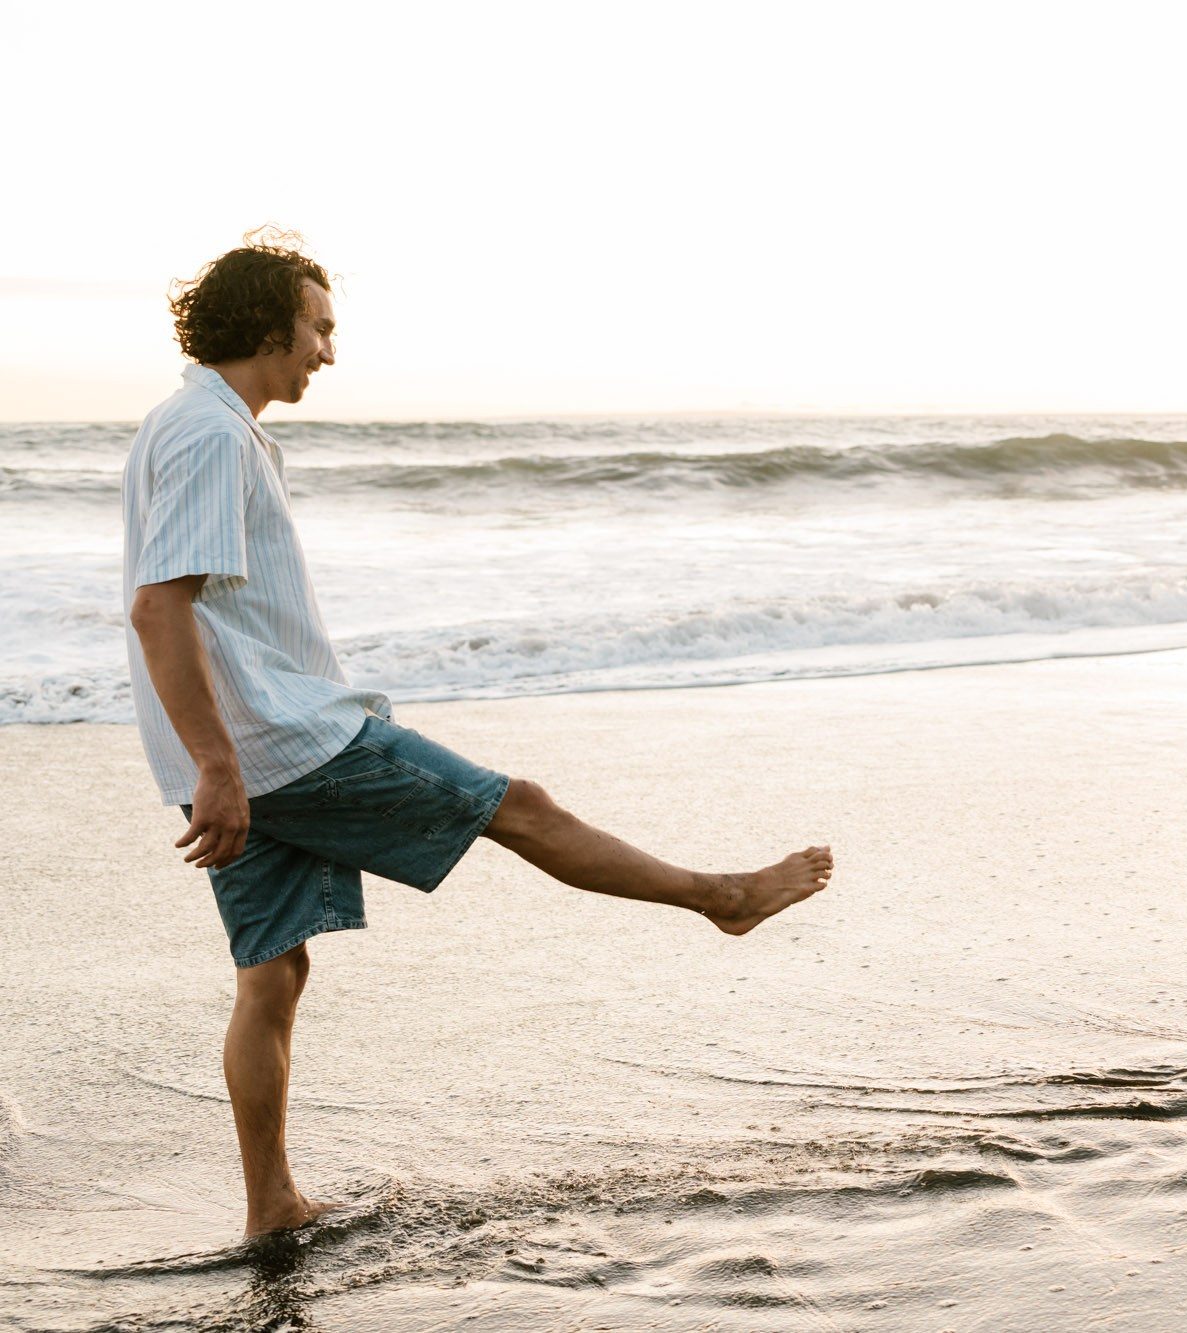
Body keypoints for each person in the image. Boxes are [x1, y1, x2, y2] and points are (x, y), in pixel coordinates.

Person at [122, 230, 833, 1237]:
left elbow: (186, 608)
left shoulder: (192, 422)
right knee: (518, 806)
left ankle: (271, 1206)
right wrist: (217, 763)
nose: (327, 351)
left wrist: (212, 762)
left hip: (246, 749)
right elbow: (159, 607)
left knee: (272, 970)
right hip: (281, 744)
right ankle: (719, 897)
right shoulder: (209, 432)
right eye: (318, 327)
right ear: (266, 323)